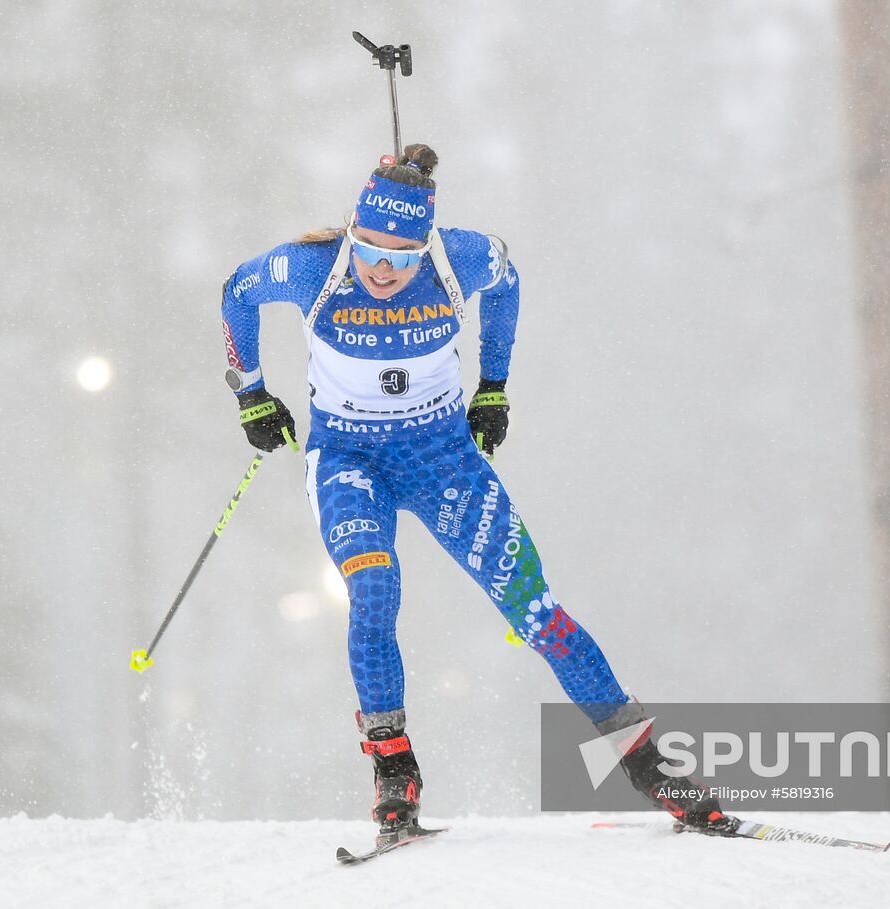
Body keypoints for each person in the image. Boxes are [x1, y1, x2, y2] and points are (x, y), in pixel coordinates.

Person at [220, 144, 738, 843]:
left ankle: (648, 765)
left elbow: (509, 278)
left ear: (426, 248)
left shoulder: (460, 259)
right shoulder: (315, 266)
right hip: (348, 458)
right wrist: (250, 391)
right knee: (374, 593)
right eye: (369, 247)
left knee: (537, 611)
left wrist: (494, 384)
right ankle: (394, 769)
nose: (380, 268)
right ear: (353, 233)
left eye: (400, 259)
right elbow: (237, 291)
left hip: (442, 458)